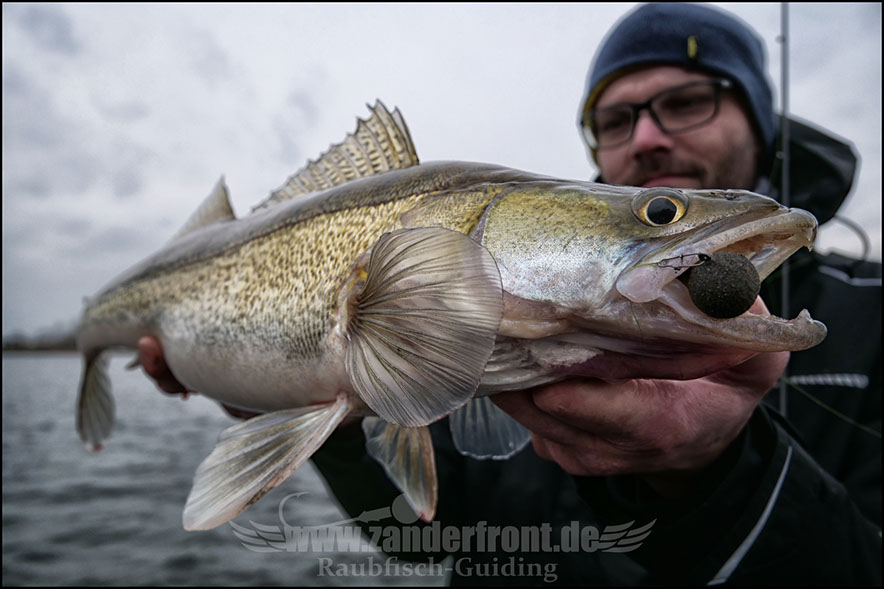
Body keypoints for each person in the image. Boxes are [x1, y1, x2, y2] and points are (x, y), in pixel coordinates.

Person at [139, 3, 881, 584]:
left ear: (759, 123)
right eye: (615, 119)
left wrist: (723, 471)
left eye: (688, 101)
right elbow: (422, 535)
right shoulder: (467, 330)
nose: (648, 137)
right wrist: (317, 412)